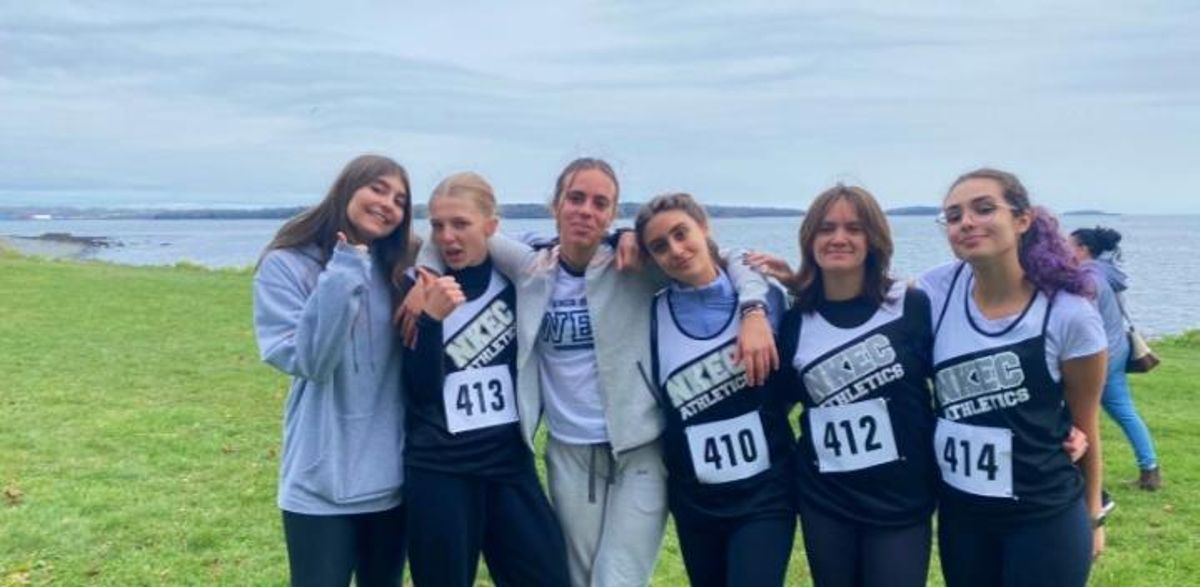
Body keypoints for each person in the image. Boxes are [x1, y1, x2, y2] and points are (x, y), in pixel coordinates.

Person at [405, 157, 777, 587]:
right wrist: (425, 274)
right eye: (576, 198)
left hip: (639, 452)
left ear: (611, 213)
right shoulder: (530, 267)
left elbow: (715, 255)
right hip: (569, 453)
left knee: (615, 579)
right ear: (556, 205)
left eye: (600, 203)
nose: (586, 210)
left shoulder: (634, 267)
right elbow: (455, 232)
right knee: (578, 579)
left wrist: (753, 308)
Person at [919, 168, 1106, 587]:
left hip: (1042, 513)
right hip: (962, 516)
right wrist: (770, 295)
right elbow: (865, 307)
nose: (966, 222)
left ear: (1022, 220)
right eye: (953, 216)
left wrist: (1093, 513)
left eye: (984, 209)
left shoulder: (1069, 315)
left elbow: (1086, 426)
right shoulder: (935, 292)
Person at [751, 185, 938, 587]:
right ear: (809, 240)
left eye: (854, 228)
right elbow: (778, 404)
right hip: (826, 502)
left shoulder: (910, 305)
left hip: (901, 502)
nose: (838, 238)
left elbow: (960, 375)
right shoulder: (796, 321)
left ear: (873, 239)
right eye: (826, 228)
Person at [400, 172, 569, 586]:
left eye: (461, 224)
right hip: (439, 469)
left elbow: (572, 252)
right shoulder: (421, 289)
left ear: (490, 228)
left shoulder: (515, 282)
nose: (448, 237)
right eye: (438, 225)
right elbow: (419, 393)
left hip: (507, 463)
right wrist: (431, 322)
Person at [252, 154, 414, 586]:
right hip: (317, 486)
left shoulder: (401, 267)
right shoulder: (286, 265)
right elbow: (311, 361)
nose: (387, 204)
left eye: (399, 199)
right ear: (347, 188)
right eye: (377, 189)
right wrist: (345, 267)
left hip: (389, 483)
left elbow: (472, 232)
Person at [633, 193, 795, 587]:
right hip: (696, 501)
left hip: (765, 495)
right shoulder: (651, 316)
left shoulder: (767, 298)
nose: (675, 249)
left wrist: (754, 309)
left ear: (704, 229)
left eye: (681, 233)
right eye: (659, 246)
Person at [1070, 226, 1162, 491]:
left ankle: (1074, 469)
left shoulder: (1087, 278)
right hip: (1116, 349)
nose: (1064, 250)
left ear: (1083, 249)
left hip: (1099, 355)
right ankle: (1150, 469)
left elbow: (1081, 321)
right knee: (1124, 410)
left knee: (1073, 410)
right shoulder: (1106, 274)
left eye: (1069, 245)